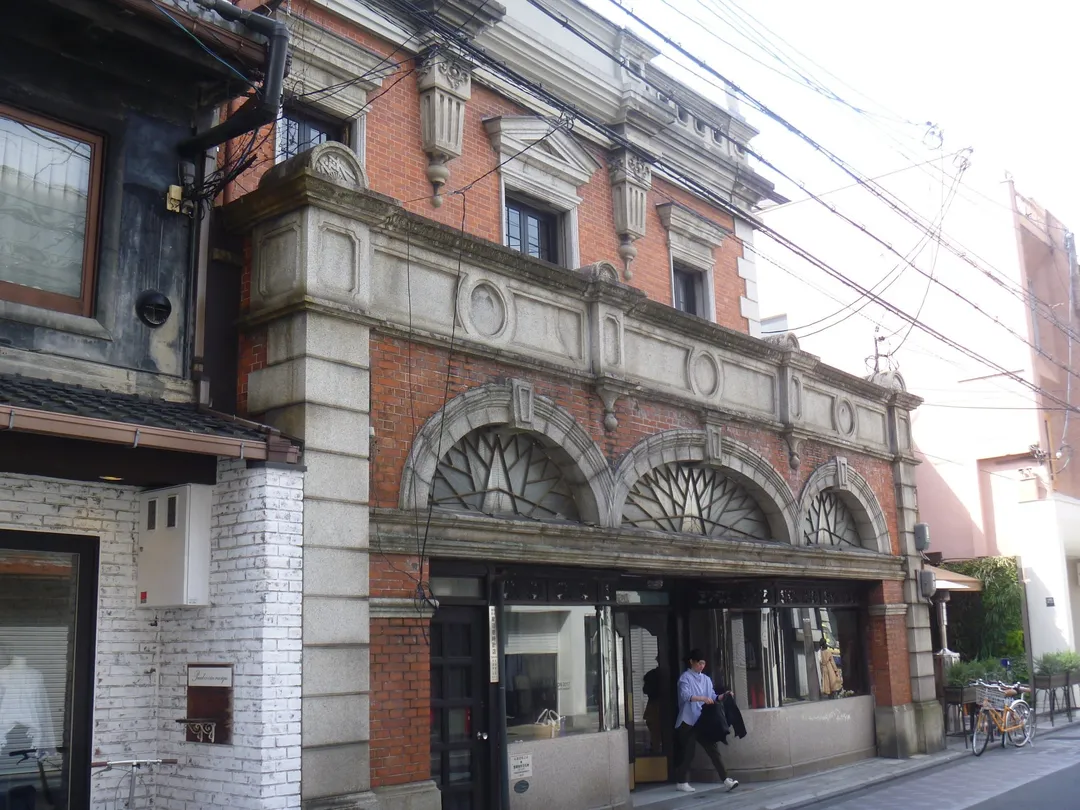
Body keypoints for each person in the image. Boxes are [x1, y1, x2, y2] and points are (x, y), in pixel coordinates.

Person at [673, 649, 739, 794]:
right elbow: (685, 696)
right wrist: (701, 698)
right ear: (692, 662)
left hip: (702, 720)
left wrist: (724, 696)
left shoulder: (706, 679)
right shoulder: (685, 678)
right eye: (699, 663)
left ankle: (726, 780)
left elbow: (713, 697)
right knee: (689, 752)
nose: (701, 666)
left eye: (703, 663)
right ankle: (681, 781)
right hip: (688, 721)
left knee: (713, 750)